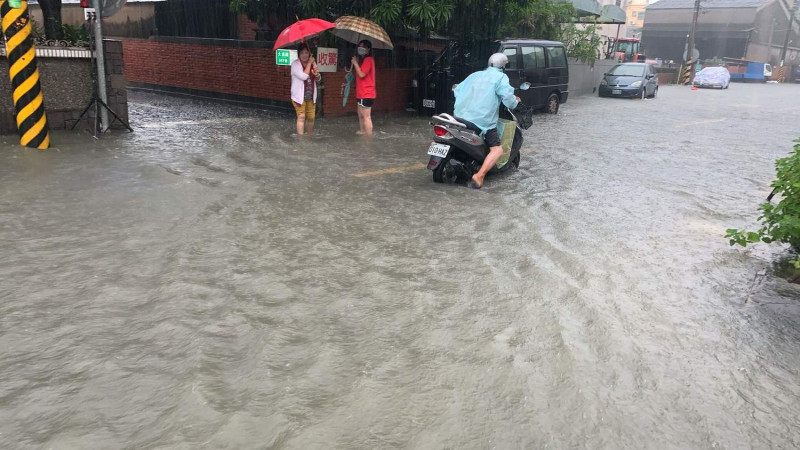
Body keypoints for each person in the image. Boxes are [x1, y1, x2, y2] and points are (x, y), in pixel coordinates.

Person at [453, 52, 520, 189]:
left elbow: (456, 90)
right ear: (503, 66)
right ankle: (479, 176)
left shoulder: (474, 75)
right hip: (482, 122)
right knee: (497, 150)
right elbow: (508, 99)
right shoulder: (501, 77)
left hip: (458, 117)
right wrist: (515, 101)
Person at [290, 43, 320, 136]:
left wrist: (317, 74)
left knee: (311, 117)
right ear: (299, 54)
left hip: (310, 95)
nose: (304, 55)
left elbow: (318, 79)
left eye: (306, 52)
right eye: (302, 53)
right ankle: (300, 138)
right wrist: (310, 63)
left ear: (309, 54)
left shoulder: (312, 64)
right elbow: (304, 76)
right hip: (299, 96)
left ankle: (309, 135)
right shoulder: (295, 64)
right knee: (301, 117)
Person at [350, 40, 376, 137]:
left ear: (368, 49)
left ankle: (368, 138)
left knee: (366, 117)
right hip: (361, 92)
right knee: (361, 115)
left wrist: (355, 63)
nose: (360, 49)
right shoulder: (364, 60)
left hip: (366, 93)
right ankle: (362, 132)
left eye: (363, 47)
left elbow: (361, 74)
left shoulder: (368, 60)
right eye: (359, 47)